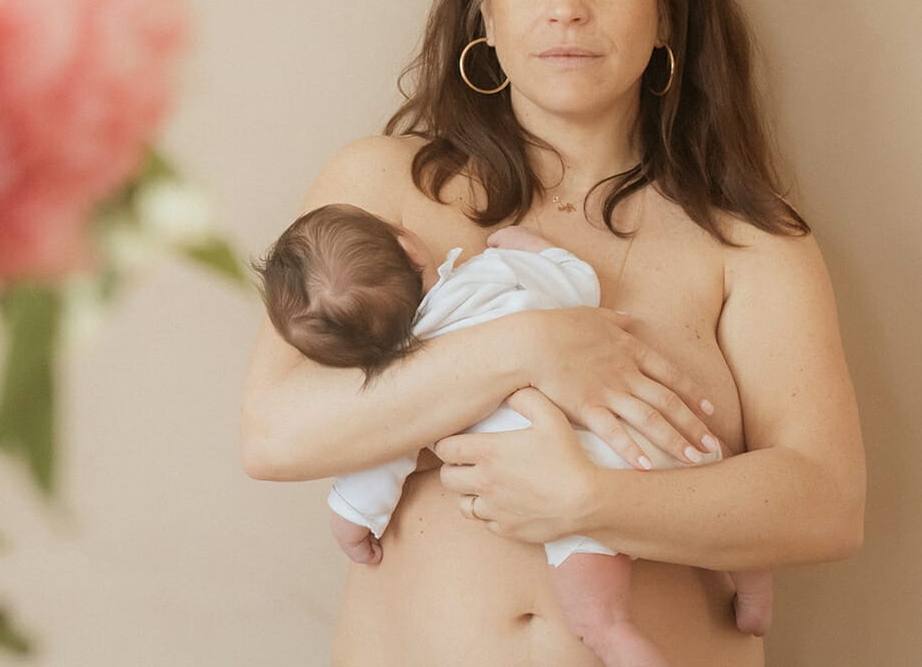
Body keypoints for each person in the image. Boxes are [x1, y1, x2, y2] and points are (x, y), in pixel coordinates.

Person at [239, 0, 864, 666]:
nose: (566, 7)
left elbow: (827, 502)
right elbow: (276, 435)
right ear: (483, 7)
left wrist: (589, 500)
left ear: (667, 9)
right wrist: (528, 349)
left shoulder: (748, 239)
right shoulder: (380, 190)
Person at [254, 203, 774, 667]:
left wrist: (352, 523)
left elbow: (381, 462)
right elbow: (579, 284)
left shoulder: (415, 384)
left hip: (575, 496)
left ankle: (618, 642)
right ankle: (751, 582)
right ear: (410, 248)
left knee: (603, 621)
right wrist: (535, 248)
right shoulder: (493, 274)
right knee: (713, 473)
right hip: (637, 434)